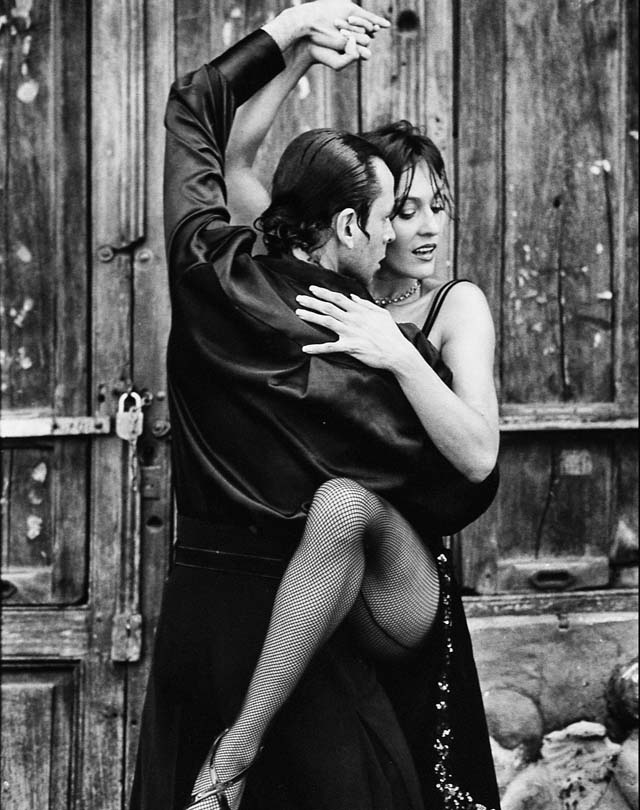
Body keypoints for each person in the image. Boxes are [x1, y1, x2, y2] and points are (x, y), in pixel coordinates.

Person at [130, 3, 500, 809]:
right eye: (399, 212)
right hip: (325, 574)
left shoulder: (227, 271)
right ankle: (234, 757)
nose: (417, 230)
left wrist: (290, 34)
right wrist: (300, 50)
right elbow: (239, 162)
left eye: (437, 206)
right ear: (352, 224)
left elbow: (477, 460)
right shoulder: (335, 326)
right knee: (338, 505)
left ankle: (233, 756)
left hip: (387, 578)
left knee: (343, 506)